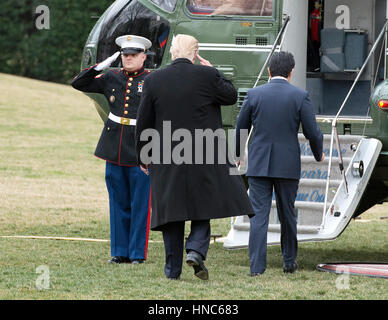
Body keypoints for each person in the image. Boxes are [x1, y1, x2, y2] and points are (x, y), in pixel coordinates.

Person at [135, 34, 254, 280]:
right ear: (195, 54)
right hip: (204, 152)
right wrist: (215, 71)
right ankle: (196, 250)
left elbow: (144, 121)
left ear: (172, 53)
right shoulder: (207, 76)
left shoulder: (154, 80)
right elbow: (231, 96)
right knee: (203, 205)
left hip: (167, 155)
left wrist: (143, 155)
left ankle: (172, 270)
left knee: (171, 213)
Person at [235, 51, 324, 276]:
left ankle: (256, 268)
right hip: (287, 165)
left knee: (258, 216)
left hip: (258, 164)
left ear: (268, 71)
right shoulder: (300, 96)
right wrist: (317, 154)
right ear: (291, 72)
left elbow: (241, 127)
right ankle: (289, 261)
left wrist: (238, 155)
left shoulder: (254, 94)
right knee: (287, 215)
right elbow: (313, 132)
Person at [71, 35, 152, 265]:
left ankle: (137, 253)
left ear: (144, 56)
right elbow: (79, 83)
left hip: (140, 148)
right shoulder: (110, 76)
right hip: (113, 146)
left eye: (133, 55)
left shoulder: (151, 80)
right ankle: (119, 252)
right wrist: (102, 64)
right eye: (125, 55)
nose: (128, 58)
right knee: (117, 201)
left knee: (140, 203)